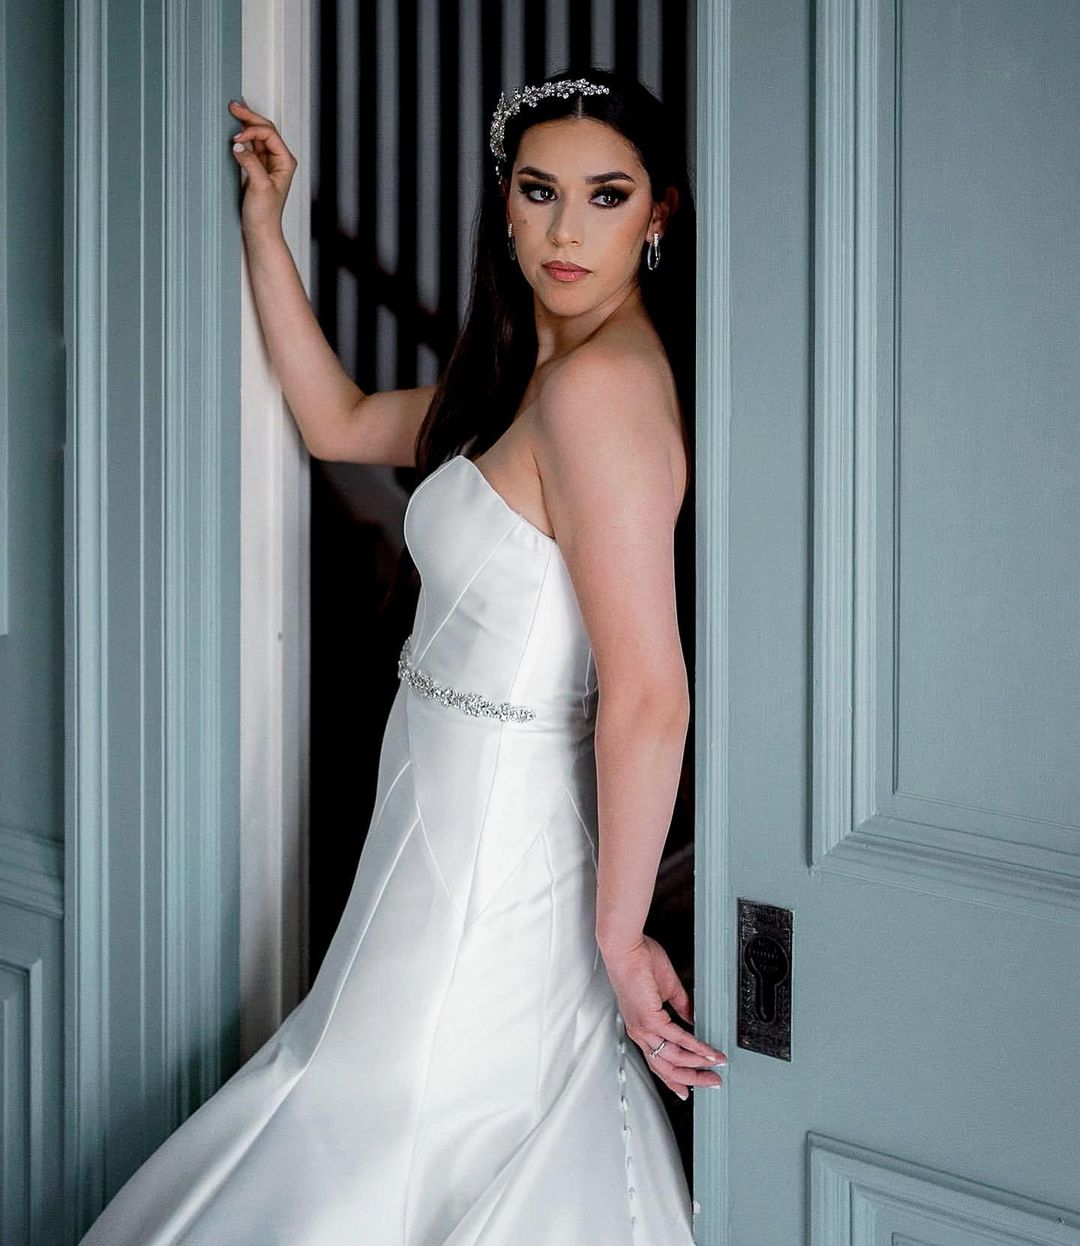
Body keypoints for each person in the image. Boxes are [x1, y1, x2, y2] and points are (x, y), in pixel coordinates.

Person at [79, 66, 726, 1245]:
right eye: (539, 192)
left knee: (389, 1119)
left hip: (500, 844)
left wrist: (620, 935)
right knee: (372, 1105)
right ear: (504, 202)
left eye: (607, 195)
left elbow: (650, 695)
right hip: (436, 808)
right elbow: (336, 420)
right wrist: (266, 224)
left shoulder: (602, 393)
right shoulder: (530, 379)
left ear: (658, 214)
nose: (566, 231)